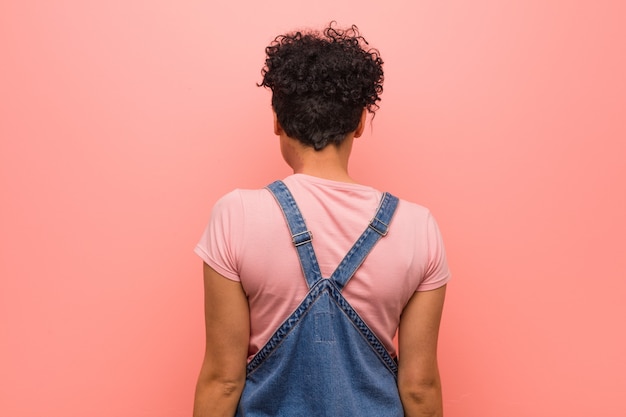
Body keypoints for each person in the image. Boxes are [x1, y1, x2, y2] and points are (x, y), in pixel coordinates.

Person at [193, 23, 450, 417]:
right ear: (360, 123)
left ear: (277, 121)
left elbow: (223, 380)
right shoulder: (418, 227)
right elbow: (419, 388)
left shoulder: (235, 215)